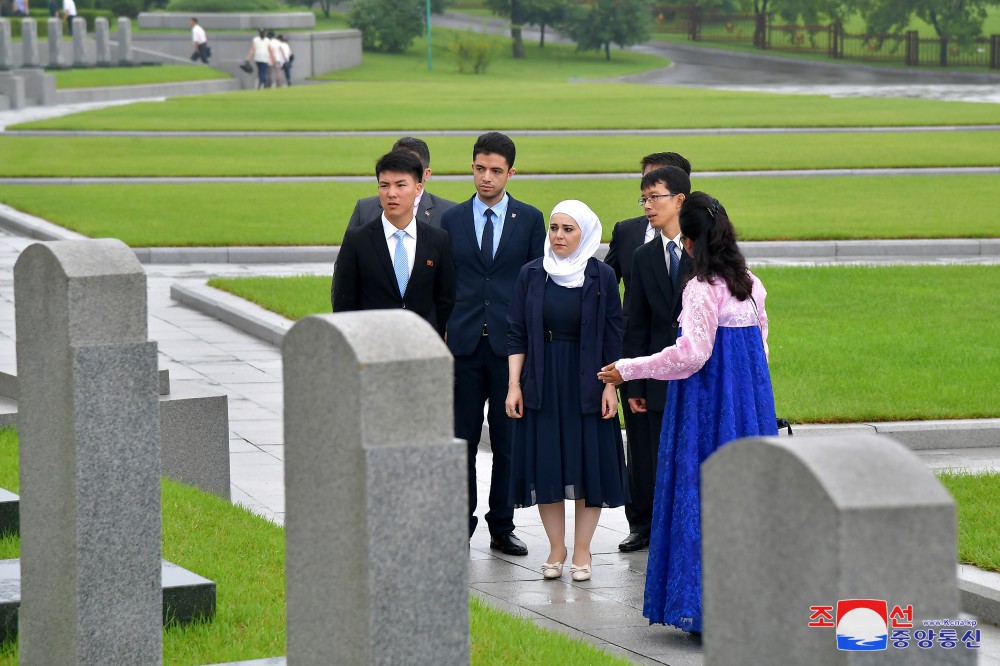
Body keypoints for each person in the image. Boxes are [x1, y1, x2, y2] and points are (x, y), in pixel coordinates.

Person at [598, 192, 778, 633]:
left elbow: (692, 355)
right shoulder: (751, 283)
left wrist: (628, 368)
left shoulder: (701, 288)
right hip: (750, 408)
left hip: (705, 407)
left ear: (692, 240)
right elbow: (763, 348)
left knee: (700, 497)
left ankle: (707, 610)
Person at [506, 200, 628, 582]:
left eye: (568, 229)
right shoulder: (531, 273)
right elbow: (517, 332)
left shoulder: (602, 275)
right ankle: (556, 548)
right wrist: (514, 385)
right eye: (554, 228)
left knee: (587, 465)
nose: (558, 235)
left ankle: (582, 550)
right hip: (543, 379)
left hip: (589, 381)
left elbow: (613, 334)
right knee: (548, 467)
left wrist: (612, 387)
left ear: (585, 233)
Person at [441, 131, 545, 556]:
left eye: (496, 171)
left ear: (511, 173)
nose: (486, 178)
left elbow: (536, 285)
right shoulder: (450, 219)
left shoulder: (531, 219)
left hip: (510, 351)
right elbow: (443, 283)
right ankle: (457, 523)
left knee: (508, 441)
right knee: (461, 439)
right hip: (462, 345)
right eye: (480, 169)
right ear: (472, 167)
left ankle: (502, 525)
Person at [604, 152, 692, 554]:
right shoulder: (640, 252)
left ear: (680, 199)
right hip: (652, 373)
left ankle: (689, 525)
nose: (647, 205)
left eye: (655, 195)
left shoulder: (707, 250)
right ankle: (647, 525)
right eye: (643, 197)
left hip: (697, 370)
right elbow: (633, 321)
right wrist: (633, 379)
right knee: (648, 454)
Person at [331, 149, 456, 337]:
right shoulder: (357, 240)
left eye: (400, 185)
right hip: (372, 348)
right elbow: (344, 302)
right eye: (384, 185)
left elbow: (445, 299)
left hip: (423, 347)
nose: (391, 193)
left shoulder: (438, 240)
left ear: (418, 188)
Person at [349, 137, 456, 230]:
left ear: (427, 174)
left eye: (411, 168)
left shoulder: (449, 212)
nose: (402, 170)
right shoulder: (364, 209)